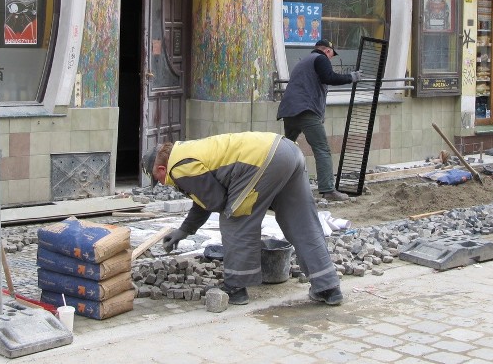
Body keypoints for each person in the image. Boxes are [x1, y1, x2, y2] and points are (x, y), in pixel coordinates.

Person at [142, 132, 343, 307]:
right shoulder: (188, 152)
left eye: (157, 179)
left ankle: (235, 287)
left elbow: (214, 201)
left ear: (161, 169)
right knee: (302, 222)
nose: (160, 183)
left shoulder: (178, 166)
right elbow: (205, 198)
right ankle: (328, 286)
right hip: (288, 150)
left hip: (264, 160)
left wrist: (188, 227)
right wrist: (185, 230)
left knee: (235, 219)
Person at [277, 39, 361, 202]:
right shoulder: (320, 58)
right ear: (327, 51)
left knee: (287, 150)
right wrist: (352, 77)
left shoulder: (304, 62)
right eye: (331, 54)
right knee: (321, 148)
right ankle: (328, 189)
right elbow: (329, 77)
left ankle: (280, 187)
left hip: (289, 111)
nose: (330, 58)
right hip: (306, 111)